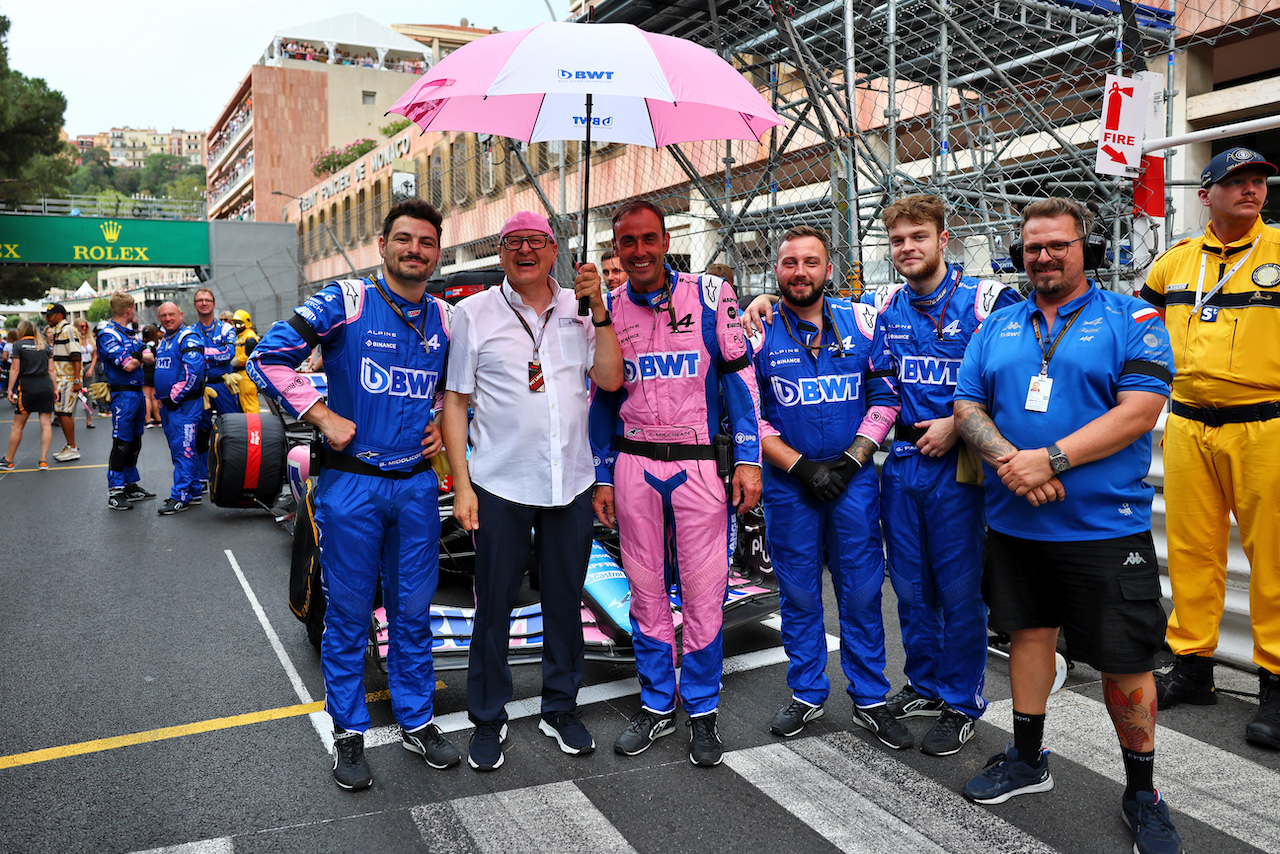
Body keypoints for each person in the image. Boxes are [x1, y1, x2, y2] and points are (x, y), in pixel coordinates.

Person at [953, 198, 1182, 854]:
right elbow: (966, 403)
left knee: (1125, 662)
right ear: (1018, 254)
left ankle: (1143, 793)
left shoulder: (1130, 318)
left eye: (1058, 244)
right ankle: (1028, 759)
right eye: (1032, 247)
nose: (1044, 256)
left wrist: (1049, 459)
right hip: (1017, 527)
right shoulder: (998, 325)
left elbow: (1140, 410)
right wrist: (1009, 462)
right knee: (1027, 638)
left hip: (1104, 530)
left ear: (1087, 248)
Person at [248, 199, 459, 791]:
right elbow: (267, 357)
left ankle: (417, 719)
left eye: (426, 242)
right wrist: (321, 416)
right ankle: (348, 730)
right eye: (404, 239)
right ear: (383, 246)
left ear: (437, 253)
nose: (415, 250)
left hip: (416, 489)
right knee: (347, 614)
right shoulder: (347, 301)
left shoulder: (445, 318)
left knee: (414, 613)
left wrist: (439, 418)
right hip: (351, 486)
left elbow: (456, 390)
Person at [442, 211, 623, 772]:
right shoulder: (472, 314)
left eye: (536, 242)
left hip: (569, 481)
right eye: (514, 242)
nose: (525, 250)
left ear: (553, 250)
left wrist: (600, 310)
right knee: (493, 604)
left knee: (565, 601)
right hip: (500, 482)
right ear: (501, 253)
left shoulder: (582, 306)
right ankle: (488, 718)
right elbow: (455, 401)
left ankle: (560, 707)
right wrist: (463, 484)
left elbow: (612, 380)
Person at [590, 200, 762, 767]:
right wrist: (600, 474)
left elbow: (740, 381)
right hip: (634, 465)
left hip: (699, 467)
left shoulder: (711, 294)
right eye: (626, 243)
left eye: (647, 239)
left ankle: (704, 710)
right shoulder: (606, 309)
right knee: (644, 591)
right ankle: (658, 705)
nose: (638, 252)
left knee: (704, 591)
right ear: (615, 250)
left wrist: (749, 459)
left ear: (666, 241)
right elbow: (600, 400)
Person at [749, 225, 911, 749]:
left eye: (811, 262)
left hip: (853, 481)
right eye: (790, 262)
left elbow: (885, 397)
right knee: (798, 593)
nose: (800, 272)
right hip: (789, 485)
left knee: (863, 592)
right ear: (776, 270)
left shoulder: (864, 321)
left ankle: (869, 697)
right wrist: (799, 468)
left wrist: (850, 460)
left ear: (829, 268)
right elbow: (750, 415)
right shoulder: (757, 329)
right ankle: (806, 694)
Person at [871, 195, 1022, 754]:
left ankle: (961, 701)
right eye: (897, 240)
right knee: (910, 588)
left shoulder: (986, 300)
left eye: (918, 236)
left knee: (959, 591)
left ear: (942, 237)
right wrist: (764, 298)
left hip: (960, 464)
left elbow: (1019, 376)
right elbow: (818, 310)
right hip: (903, 461)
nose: (907, 248)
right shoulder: (882, 303)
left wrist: (958, 427)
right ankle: (925, 682)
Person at [1140, 147, 1280, 750]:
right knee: (1191, 549)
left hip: (1265, 423)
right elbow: (1140, 335)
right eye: (1237, 182)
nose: (1250, 191)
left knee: (1272, 555)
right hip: (1189, 422)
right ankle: (1193, 668)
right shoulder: (1173, 265)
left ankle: (1276, 682)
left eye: (1258, 182)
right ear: (1206, 194)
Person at [97, 293, 157, 510]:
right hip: (122, 394)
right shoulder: (107, 334)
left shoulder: (129, 333)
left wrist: (137, 354)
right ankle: (115, 491)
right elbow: (128, 365)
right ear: (129, 311)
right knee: (121, 442)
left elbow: (150, 356)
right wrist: (139, 354)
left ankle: (130, 485)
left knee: (135, 441)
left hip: (137, 392)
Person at [153, 302, 206, 515]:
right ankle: (192, 490)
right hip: (169, 406)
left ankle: (180, 496)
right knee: (180, 450)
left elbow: (193, 369)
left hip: (183, 405)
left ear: (181, 315)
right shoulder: (165, 339)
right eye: (163, 315)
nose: (167, 318)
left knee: (184, 449)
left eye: (171, 314)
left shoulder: (188, 336)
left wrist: (174, 397)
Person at [192, 288, 238, 486]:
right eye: (199, 300)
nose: (204, 303)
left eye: (207, 300)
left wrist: (202, 353)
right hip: (199, 388)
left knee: (231, 427)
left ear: (213, 303)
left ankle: (233, 471)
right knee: (201, 432)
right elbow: (188, 356)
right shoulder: (189, 331)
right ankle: (203, 475)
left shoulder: (226, 328)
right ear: (195, 305)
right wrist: (214, 352)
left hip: (222, 384)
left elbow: (229, 353)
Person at [3, 320, 55, 471]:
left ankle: (9, 460)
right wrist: (55, 389)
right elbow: (51, 370)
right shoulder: (45, 346)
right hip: (45, 385)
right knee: (46, 424)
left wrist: (10, 389)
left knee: (17, 426)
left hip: (27, 387)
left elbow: (14, 369)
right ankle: (43, 460)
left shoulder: (18, 345)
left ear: (22, 331)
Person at [44, 303, 82, 463]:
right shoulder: (60, 331)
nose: (47, 318)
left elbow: (76, 356)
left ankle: (72, 448)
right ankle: (69, 446)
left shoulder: (67, 330)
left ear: (59, 315)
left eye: (50, 315)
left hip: (67, 379)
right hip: (61, 379)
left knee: (64, 413)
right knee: (60, 413)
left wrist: (76, 380)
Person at [229, 309, 260, 415]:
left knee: (249, 402)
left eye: (239, 323)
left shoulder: (249, 336)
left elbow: (248, 356)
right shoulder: (240, 336)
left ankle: (254, 427)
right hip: (239, 374)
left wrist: (232, 362)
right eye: (235, 323)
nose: (237, 326)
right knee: (242, 402)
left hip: (246, 374)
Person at [77, 319, 97, 429]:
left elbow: (95, 355)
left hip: (89, 364)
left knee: (88, 393)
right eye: (81, 326)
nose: (84, 328)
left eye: (86, 326)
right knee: (76, 393)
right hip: (78, 367)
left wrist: (91, 368)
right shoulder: (74, 340)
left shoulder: (90, 339)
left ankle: (88, 420)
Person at [141, 325, 162, 427]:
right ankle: (158, 418)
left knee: (147, 396)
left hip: (148, 370)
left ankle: (148, 419)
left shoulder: (146, 345)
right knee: (154, 396)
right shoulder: (159, 344)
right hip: (157, 371)